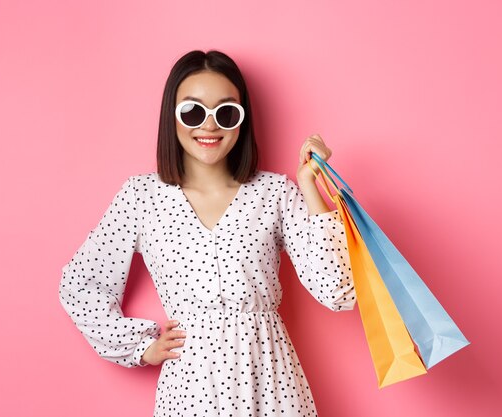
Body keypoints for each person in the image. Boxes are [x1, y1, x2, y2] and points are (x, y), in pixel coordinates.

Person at [59, 49, 355, 416]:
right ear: (173, 117)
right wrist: (139, 347)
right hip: (190, 387)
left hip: (270, 382)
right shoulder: (141, 197)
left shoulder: (275, 193)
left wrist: (310, 186)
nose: (209, 125)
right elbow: (80, 283)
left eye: (226, 112)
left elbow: (338, 292)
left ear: (241, 121)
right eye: (193, 111)